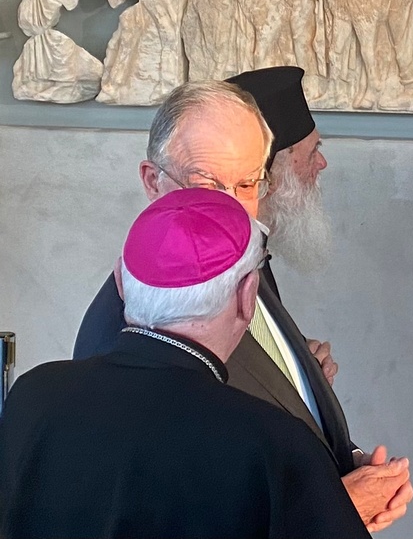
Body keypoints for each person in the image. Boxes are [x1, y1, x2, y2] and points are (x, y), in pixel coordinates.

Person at [73, 74, 413, 532]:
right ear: (153, 181)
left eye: (248, 184)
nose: (231, 209)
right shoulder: (120, 332)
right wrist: (332, 510)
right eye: (207, 184)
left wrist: (336, 455)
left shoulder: (247, 259)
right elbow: (159, 515)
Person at [0, 189, 366, 538]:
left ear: (122, 282)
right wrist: (334, 508)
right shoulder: (271, 442)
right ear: (247, 297)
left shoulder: (34, 394)